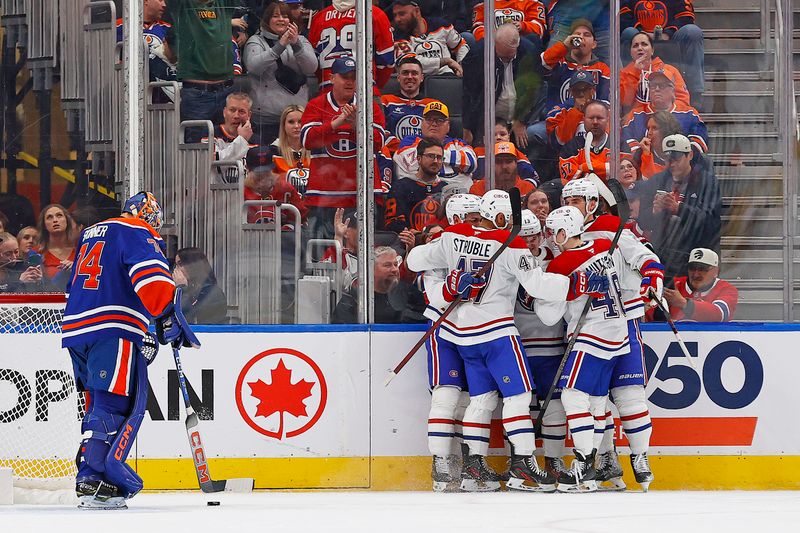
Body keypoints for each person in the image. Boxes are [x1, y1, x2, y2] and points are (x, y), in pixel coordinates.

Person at [406, 189, 608, 492]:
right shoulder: (511, 244)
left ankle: (472, 467)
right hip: (498, 335)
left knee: (482, 399)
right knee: (518, 398)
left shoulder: (451, 235)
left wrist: (448, 278)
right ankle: (523, 465)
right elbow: (537, 284)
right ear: (502, 217)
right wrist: (575, 282)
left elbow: (413, 260)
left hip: (465, 337)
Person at [62, 191, 197, 509]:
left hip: (76, 328)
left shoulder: (90, 233)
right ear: (149, 217)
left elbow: (76, 284)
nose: (157, 233)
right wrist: (167, 315)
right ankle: (97, 481)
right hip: (112, 327)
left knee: (97, 400)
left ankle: (88, 473)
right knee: (114, 404)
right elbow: (150, 279)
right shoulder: (137, 230)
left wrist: (147, 322)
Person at [562, 177, 664, 491]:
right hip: (592, 324)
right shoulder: (568, 234)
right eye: (567, 201)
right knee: (596, 401)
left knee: (628, 396)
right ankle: (605, 459)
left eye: (576, 201)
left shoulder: (613, 230)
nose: (570, 207)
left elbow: (649, 261)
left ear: (592, 203)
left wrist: (651, 277)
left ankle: (638, 457)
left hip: (617, 323)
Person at [535, 205, 629, 492]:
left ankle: (584, 465)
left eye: (553, 232)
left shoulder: (561, 264)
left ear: (565, 231)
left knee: (574, 398)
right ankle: (594, 465)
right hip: (618, 333)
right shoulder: (605, 246)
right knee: (597, 402)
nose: (551, 237)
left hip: (590, 335)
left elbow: (548, 315)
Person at [300, 56, 386, 239]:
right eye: (345, 76)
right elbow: (307, 140)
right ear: (332, 78)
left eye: (354, 77)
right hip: (323, 195)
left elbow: (378, 144)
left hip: (360, 194)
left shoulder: (370, 106)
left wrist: (357, 127)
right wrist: (334, 124)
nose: (350, 82)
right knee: (321, 254)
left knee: (359, 251)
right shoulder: (316, 105)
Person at [512, 210, 569, 479]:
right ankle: (521, 462)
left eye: (532, 236)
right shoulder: (508, 258)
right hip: (518, 343)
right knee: (519, 406)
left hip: (552, 343)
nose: (529, 242)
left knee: (554, 404)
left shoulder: (556, 259)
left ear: (540, 235)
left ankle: (554, 462)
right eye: (523, 237)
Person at [634, 134, 721, 281]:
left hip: (696, 260)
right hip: (663, 257)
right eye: (667, 159)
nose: (672, 164)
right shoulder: (656, 181)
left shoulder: (707, 181)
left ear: (690, 155)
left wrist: (679, 208)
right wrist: (655, 211)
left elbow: (712, 223)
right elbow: (642, 221)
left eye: (677, 159)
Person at [167, 0, 242, 142]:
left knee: (228, 147)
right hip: (197, 95)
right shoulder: (184, 5)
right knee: (195, 150)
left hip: (226, 92)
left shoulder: (222, 5)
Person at [243, 1, 317, 144]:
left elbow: (311, 67)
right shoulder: (256, 41)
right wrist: (279, 47)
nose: (281, 20)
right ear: (267, 20)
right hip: (266, 121)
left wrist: (296, 45)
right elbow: (254, 66)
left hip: (297, 121)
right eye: (276, 16)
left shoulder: (301, 40)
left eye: (285, 16)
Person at [462, 24, 541, 148]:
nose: (505, 60)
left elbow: (533, 89)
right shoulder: (477, 54)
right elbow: (469, 92)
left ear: (517, 45)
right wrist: (467, 126)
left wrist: (521, 120)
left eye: (509, 56)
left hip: (518, 114)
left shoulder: (529, 52)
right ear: (493, 42)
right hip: (487, 114)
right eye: (502, 56)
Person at [620, 0, 704, 106]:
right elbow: (623, 15)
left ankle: (694, 93)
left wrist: (668, 33)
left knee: (693, 32)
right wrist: (643, 34)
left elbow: (685, 16)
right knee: (629, 32)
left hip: (671, 37)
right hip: (640, 37)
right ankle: (631, 91)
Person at [307, 0, 395, 92]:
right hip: (365, 89)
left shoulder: (319, 18)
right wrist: (374, 85)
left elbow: (313, 63)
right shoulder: (375, 13)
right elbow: (386, 60)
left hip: (328, 91)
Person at [393, 101, 477, 193]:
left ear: (448, 126)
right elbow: (412, 167)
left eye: (439, 120)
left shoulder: (458, 143)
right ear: (422, 123)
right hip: (420, 196)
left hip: (458, 198)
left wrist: (429, 157)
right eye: (429, 119)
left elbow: (472, 163)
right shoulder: (409, 142)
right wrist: (456, 163)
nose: (434, 124)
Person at [622, 70, 708, 154]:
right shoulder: (635, 115)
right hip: (645, 165)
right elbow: (626, 140)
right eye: (653, 86)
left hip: (679, 165)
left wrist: (679, 157)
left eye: (662, 86)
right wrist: (642, 153)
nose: (657, 89)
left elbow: (699, 140)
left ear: (673, 90)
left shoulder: (689, 113)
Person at [385, 138, 447, 233]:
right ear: (418, 158)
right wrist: (417, 236)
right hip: (407, 243)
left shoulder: (446, 189)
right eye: (430, 156)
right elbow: (393, 222)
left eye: (439, 157)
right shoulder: (401, 187)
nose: (435, 161)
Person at [391, 0, 469, 76]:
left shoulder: (441, 25)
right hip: (418, 82)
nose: (397, 19)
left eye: (402, 14)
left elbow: (461, 45)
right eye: (395, 15)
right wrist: (446, 61)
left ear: (417, 11)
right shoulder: (397, 36)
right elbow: (409, 63)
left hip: (447, 77)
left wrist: (462, 66)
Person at [660, 248, 739, 322]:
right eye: (692, 268)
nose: (696, 274)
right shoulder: (673, 285)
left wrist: (683, 303)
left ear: (716, 272)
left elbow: (720, 314)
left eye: (702, 269)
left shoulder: (727, 289)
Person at [621, 32, 690, 115]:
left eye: (644, 44)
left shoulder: (670, 70)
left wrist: (667, 115)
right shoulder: (624, 73)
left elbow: (683, 100)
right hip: (636, 120)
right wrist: (635, 72)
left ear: (652, 50)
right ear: (631, 53)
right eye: (635, 46)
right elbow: (625, 104)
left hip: (666, 118)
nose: (640, 48)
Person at [331, 246, 404, 323]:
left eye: (396, 264)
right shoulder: (352, 302)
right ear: (371, 269)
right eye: (387, 265)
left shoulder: (403, 297)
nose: (395, 269)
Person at [380, 56, 436, 153]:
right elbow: (380, 133)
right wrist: (404, 149)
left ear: (421, 77)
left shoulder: (433, 105)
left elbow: (440, 135)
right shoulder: (385, 101)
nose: (410, 77)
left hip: (425, 159)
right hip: (394, 156)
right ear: (398, 77)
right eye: (405, 73)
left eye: (414, 73)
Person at [201, 92, 259, 183]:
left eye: (242, 111)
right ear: (224, 112)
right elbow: (216, 166)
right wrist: (242, 140)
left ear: (249, 115)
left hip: (245, 195)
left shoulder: (256, 142)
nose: (236, 116)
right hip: (216, 195)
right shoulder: (210, 134)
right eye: (232, 110)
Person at [243, 145, 308, 226]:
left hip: (282, 237)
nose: (263, 175)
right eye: (258, 173)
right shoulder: (241, 192)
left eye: (266, 171)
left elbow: (302, 216)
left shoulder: (285, 188)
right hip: (250, 237)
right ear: (247, 168)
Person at [558, 99, 611, 184]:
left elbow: (623, 174)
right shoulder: (570, 148)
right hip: (581, 196)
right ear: (584, 119)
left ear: (608, 119)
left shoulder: (618, 145)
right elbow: (570, 181)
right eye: (591, 118)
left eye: (599, 118)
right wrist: (606, 170)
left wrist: (583, 167)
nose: (595, 122)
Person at [173, 247, 229, 324]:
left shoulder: (212, 293)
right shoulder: (191, 292)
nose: (176, 270)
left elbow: (188, 319)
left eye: (180, 264)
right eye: (176, 265)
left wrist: (182, 288)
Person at [473, 119, 538, 183]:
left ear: (509, 137)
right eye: (493, 135)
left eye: (502, 134)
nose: (498, 137)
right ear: (485, 140)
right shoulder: (476, 154)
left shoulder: (517, 155)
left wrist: (518, 189)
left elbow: (532, 179)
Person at [546, 70, 597, 149]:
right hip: (569, 157)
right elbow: (559, 142)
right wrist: (576, 111)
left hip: (597, 157)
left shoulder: (602, 111)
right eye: (577, 90)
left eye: (586, 89)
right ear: (570, 92)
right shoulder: (558, 112)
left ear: (593, 90)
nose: (581, 94)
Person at [628, 110, 683, 179]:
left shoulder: (681, 150)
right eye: (648, 128)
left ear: (667, 131)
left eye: (654, 128)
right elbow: (648, 183)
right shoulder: (641, 152)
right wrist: (646, 155)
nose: (649, 133)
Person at [469, 142, 536, 196]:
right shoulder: (477, 189)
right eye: (498, 162)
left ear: (516, 163)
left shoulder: (528, 189)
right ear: (491, 164)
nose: (504, 166)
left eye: (508, 161)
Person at [271, 104, 310, 196]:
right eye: (291, 122)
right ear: (283, 125)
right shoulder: (273, 152)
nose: (296, 126)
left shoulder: (316, 151)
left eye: (300, 121)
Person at [37, 204, 77, 290]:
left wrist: (76, 268)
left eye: (59, 215)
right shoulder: (36, 253)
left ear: (67, 220)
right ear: (44, 225)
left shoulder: (81, 251)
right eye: (49, 217)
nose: (55, 220)